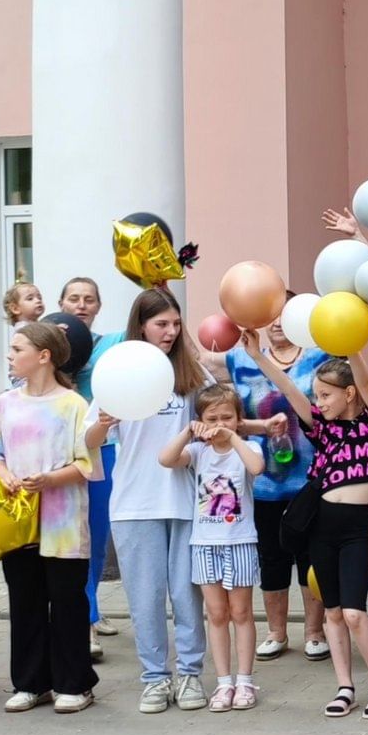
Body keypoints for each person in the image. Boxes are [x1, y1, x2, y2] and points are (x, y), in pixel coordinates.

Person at [248, 346, 368, 716]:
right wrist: (260, 358)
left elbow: (366, 381)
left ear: (348, 394)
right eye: (316, 395)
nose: (319, 401)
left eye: (326, 394)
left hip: (356, 530)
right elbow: (288, 389)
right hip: (321, 528)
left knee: (355, 613)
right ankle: (345, 686)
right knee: (332, 612)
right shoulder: (321, 428)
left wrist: (355, 346)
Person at [84, 290, 210, 713]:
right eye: (162, 324)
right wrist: (103, 425)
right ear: (141, 325)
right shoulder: (118, 371)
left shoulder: (191, 376)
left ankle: (191, 675)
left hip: (185, 502)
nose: (171, 332)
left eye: (176, 323)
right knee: (145, 597)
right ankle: (155, 678)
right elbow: (88, 441)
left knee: (186, 594)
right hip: (134, 504)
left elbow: (218, 417)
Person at [0, 322, 98, 713]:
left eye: (17, 349)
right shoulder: (5, 403)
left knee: (66, 600)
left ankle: (74, 683)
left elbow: (85, 465)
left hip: (63, 522)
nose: (10, 356)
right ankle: (31, 682)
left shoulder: (74, 405)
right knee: (25, 599)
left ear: (43, 356)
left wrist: (49, 479)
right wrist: (5, 475)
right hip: (18, 519)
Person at [225, 301, 330, 662]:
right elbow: (198, 359)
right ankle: (276, 632)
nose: (278, 325)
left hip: (310, 479)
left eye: (286, 318)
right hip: (264, 481)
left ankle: (315, 632)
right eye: (270, 319)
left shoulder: (321, 358)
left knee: (309, 555)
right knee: (272, 556)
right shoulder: (240, 360)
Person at [161, 383, 265, 711]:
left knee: (242, 612)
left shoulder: (249, 448)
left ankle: (245, 680)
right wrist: (188, 432)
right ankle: (223, 683)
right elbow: (166, 459)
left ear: (238, 419)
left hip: (240, 541)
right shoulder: (198, 452)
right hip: (204, 544)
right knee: (217, 614)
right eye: (212, 417)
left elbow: (256, 467)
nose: (220, 423)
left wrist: (233, 436)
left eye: (227, 416)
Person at [57, 277, 119, 657]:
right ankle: (82, 620)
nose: (82, 305)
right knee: (70, 539)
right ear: (61, 303)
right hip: (59, 452)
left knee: (96, 534)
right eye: (74, 299)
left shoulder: (111, 344)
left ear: (98, 306)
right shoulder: (44, 343)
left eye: (89, 299)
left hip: (102, 448)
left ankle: (90, 610)